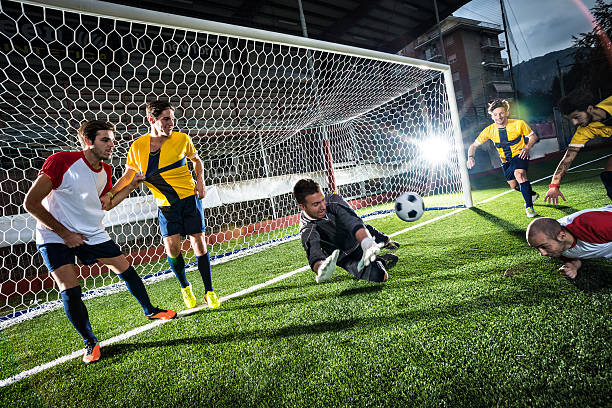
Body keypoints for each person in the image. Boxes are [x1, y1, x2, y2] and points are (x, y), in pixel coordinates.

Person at [24, 120, 177, 364]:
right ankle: (90, 341)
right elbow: (30, 203)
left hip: (92, 233)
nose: (111, 145)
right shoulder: (61, 161)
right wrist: (65, 234)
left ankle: (150, 310)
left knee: (125, 268)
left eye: (112, 140)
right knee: (69, 287)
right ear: (87, 141)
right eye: (105, 139)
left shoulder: (106, 171)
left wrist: (133, 185)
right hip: (54, 235)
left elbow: (106, 204)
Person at [108, 100, 218, 310]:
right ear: (152, 120)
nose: (171, 123)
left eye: (172, 119)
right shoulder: (138, 146)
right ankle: (185, 287)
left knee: (199, 244)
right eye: (166, 119)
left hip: (189, 199)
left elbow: (197, 161)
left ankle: (209, 291)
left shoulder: (182, 139)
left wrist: (200, 181)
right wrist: (111, 192)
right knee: (172, 249)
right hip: (166, 206)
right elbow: (127, 176)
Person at [293, 178, 400, 283]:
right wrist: (321, 268)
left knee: (385, 240)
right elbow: (314, 254)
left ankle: (385, 242)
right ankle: (381, 260)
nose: (322, 207)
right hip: (346, 257)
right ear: (302, 206)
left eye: (322, 200)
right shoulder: (307, 229)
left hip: (358, 236)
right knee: (381, 276)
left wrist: (366, 242)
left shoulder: (334, 200)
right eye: (316, 204)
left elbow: (353, 222)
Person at [467, 99, 540, 218]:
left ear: (506, 113)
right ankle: (531, 194)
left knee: (520, 174)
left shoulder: (519, 124)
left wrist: (527, 147)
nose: (499, 117)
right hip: (505, 161)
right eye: (495, 114)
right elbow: (473, 145)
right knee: (514, 186)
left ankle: (529, 207)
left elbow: (533, 137)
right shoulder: (489, 130)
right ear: (492, 116)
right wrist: (470, 157)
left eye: (501, 113)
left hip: (520, 154)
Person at [545, 91, 612, 204]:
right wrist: (554, 185)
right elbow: (568, 158)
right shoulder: (584, 130)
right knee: (609, 176)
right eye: (571, 119)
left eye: (576, 117)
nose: (575, 123)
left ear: (590, 109)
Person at [526, 205, 612, 279]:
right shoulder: (556, 245)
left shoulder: (593, 225)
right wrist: (574, 265)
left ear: (562, 236)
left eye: (544, 247)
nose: (543, 254)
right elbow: (576, 256)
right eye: (537, 248)